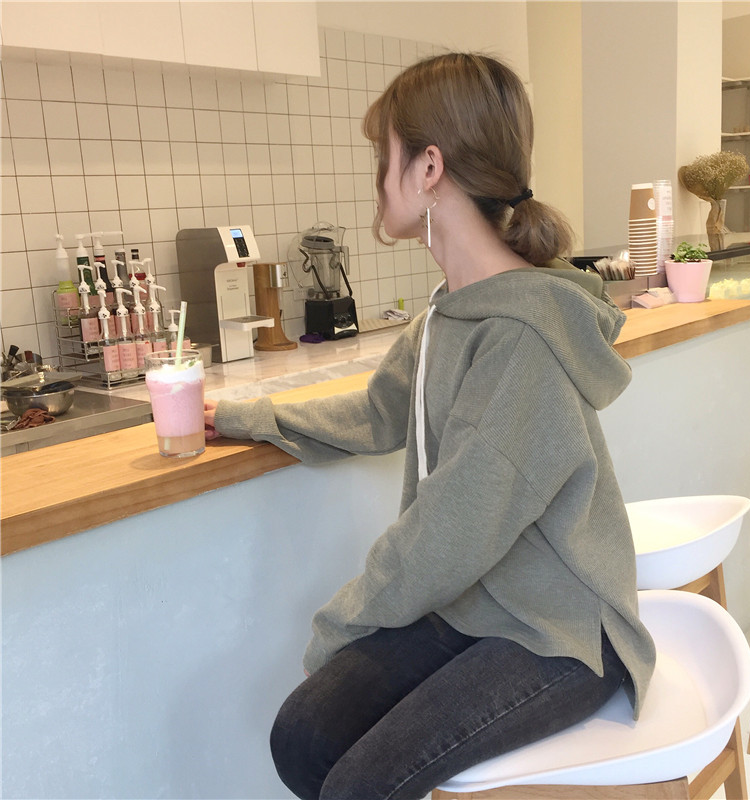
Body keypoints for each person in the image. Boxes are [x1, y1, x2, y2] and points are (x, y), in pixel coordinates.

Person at [204, 52, 655, 800]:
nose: (375, 179)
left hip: (562, 630)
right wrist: (246, 416)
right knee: (303, 736)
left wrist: (344, 622)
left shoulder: (522, 337)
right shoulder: (449, 311)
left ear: (429, 168)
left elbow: (451, 530)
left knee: (358, 785)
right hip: (480, 602)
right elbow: (379, 411)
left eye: (382, 157)